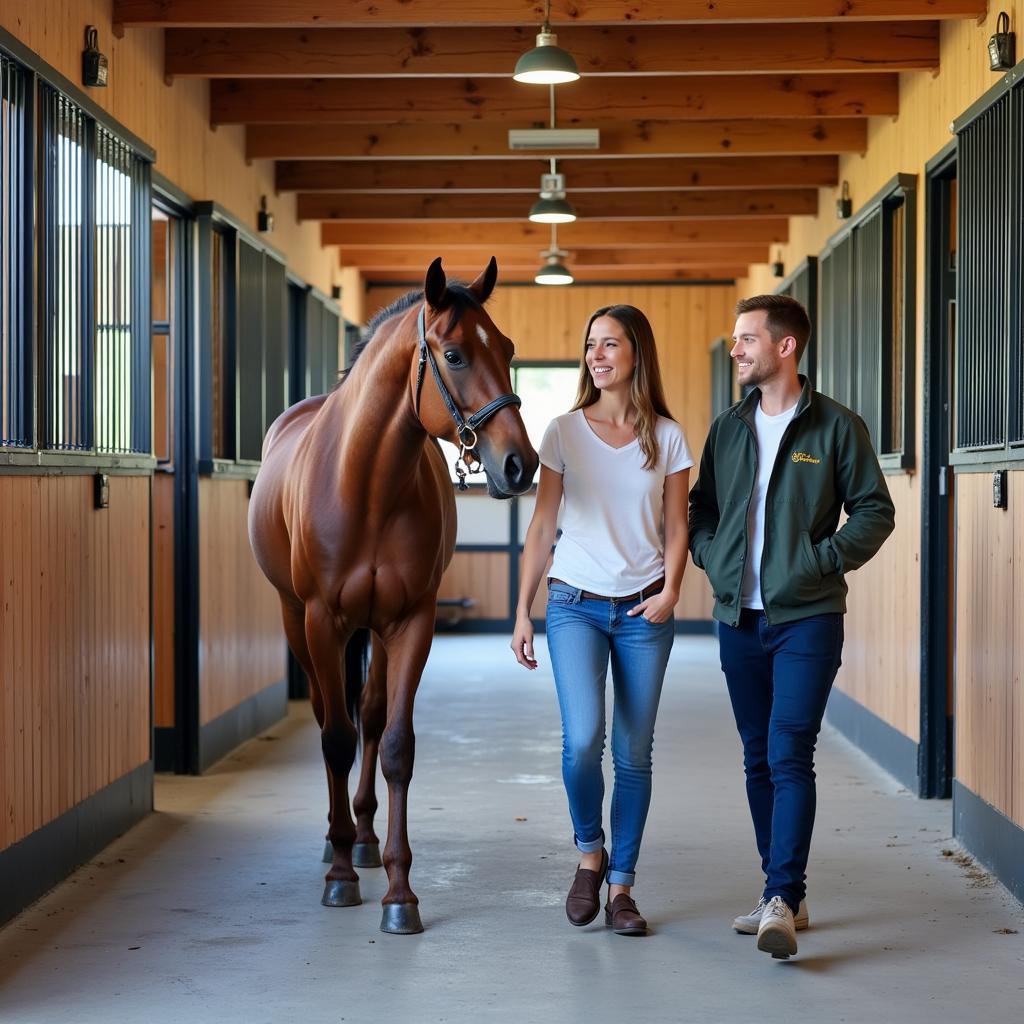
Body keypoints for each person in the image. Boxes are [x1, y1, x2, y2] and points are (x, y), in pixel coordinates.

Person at [688, 294, 895, 959]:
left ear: (786, 347)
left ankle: (781, 895)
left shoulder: (836, 427)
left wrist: (820, 562)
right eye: (734, 338)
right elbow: (703, 508)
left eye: (747, 338)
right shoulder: (728, 427)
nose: (736, 349)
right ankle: (784, 892)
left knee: (788, 749)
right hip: (737, 618)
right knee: (756, 755)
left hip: (807, 616)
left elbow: (873, 511)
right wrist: (711, 557)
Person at [511, 304, 693, 937]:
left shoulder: (667, 436)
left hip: (646, 608)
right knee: (583, 741)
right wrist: (522, 609)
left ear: (636, 353)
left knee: (634, 755)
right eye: (591, 345)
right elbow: (541, 525)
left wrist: (672, 589)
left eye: (610, 345)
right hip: (573, 605)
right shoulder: (561, 431)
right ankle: (590, 854)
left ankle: (622, 888)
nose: (597, 355)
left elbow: (677, 524)